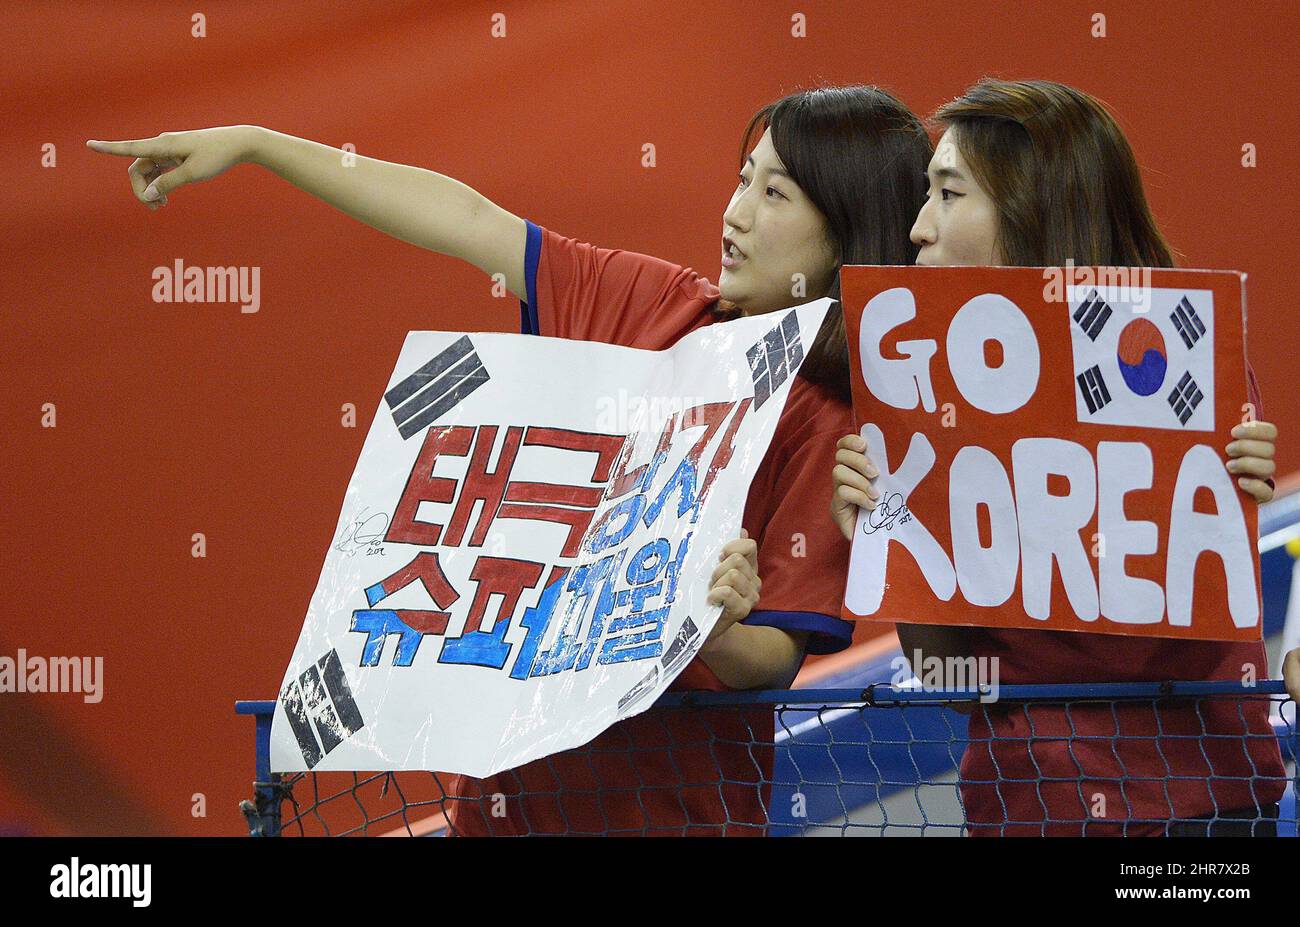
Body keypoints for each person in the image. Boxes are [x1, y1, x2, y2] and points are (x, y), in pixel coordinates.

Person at [88, 83, 934, 834]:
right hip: (507, 805)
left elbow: (775, 660)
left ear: (843, 233)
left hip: (676, 810)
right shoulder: (650, 304)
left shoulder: (833, 425)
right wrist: (257, 143)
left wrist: (712, 624)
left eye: (774, 192)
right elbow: (468, 221)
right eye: (742, 177)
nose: (736, 211)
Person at [830, 78, 1287, 836]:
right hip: (1024, 814)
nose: (916, 227)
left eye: (948, 194)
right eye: (925, 195)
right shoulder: (919, 411)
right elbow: (951, 680)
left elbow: (1194, 638)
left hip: (1211, 818)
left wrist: (1228, 502)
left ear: (1030, 205)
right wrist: (893, 536)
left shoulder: (1184, 369)